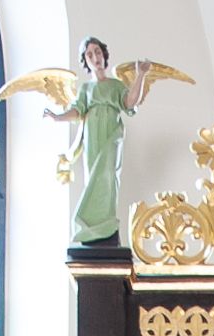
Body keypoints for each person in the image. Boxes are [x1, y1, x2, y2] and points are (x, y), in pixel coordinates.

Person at [43, 37, 152, 246]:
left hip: (112, 134)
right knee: (94, 175)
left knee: (108, 175)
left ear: (104, 54)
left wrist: (141, 75)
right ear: (86, 61)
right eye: (90, 54)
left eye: (98, 52)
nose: (95, 57)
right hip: (92, 136)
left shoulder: (115, 85)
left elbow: (130, 101)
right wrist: (58, 117)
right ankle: (90, 225)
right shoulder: (86, 89)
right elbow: (77, 110)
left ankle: (105, 223)